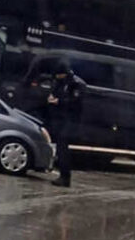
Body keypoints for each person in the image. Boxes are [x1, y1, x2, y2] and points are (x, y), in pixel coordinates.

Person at [47, 59, 86, 187]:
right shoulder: (60, 82)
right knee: (60, 146)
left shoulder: (76, 84)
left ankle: (65, 177)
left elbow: (75, 103)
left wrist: (58, 101)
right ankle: (62, 175)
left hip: (71, 120)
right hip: (60, 119)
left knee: (63, 147)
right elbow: (55, 92)